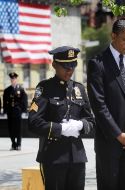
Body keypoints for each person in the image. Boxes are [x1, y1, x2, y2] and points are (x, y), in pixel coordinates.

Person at [87, 18, 125, 190]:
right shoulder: (97, 63)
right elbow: (99, 105)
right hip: (109, 144)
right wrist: (118, 134)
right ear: (113, 36)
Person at [28, 46, 95, 190]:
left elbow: (91, 120)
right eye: (65, 66)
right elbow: (33, 122)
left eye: (72, 66)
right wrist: (60, 129)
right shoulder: (45, 88)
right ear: (54, 65)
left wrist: (80, 125)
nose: (69, 70)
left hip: (77, 157)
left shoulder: (79, 89)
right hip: (54, 157)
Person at [3, 72, 28, 151]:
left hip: (18, 112)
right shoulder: (7, 90)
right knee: (11, 129)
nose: (13, 80)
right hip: (10, 112)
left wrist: (24, 110)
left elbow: (24, 100)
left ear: (16, 79)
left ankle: (19, 144)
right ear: (10, 80)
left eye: (14, 79)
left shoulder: (21, 89)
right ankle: (13, 144)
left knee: (18, 129)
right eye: (11, 79)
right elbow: (4, 101)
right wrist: (4, 110)